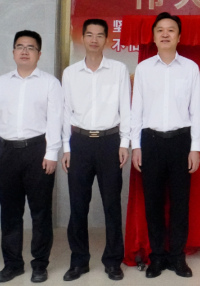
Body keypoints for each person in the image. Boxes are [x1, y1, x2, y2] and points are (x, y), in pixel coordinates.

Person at [0, 30, 63, 283]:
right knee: (10, 212)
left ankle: (40, 264)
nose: (25, 51)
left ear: (39, 53)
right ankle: (13, 264)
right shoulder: (0, 83)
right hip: (6, 152)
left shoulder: (50, 83)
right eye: (20, 46)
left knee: (40, 212)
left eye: (31, 47)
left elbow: (55, 120)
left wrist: (52, 153)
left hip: (38, 151)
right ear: (13, 52)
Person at [131, 12, 200, 279]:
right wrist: (135, 146)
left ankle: (177, 257)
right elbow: (136, 109)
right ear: (153, 36)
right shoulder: (144, 69)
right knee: (153, 204)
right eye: (160, 30)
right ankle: (158, 257)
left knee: (180, 204)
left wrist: (195, 147)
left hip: (181, 142)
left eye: (170, 30)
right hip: (150, 142)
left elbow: (197, 110)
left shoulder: (190, 68)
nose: (165, 34)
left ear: (178, 36)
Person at [61, 19, 130, 281]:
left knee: (112, 204)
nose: (94, 39)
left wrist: (124, 143)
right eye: (89, 34)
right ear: (83, 38)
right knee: (78, 205)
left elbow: (126, 108)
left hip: (109, 142)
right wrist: (66, 147)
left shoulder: (118, 70)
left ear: (106, 40)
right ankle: (79, 261)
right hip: (79, 143)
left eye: (100, 35)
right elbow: (65, 111)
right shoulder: (71, 73)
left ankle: (113, 261)